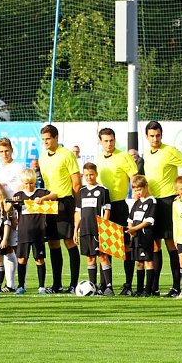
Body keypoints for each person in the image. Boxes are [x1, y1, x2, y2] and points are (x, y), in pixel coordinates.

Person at [143, 121, 182, 297]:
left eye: (157, 135)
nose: (155, 138)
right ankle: (155, 287)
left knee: (171, 244)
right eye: (151, 136)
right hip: (152, 203)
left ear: (161, 135)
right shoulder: (146, 154)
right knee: (155, 245)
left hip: (167, 202)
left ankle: (176, 287)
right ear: (147, 137)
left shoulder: (169, 150)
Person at [37, 124, 82, 293]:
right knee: (53, 243)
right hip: (49, 203)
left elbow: (76, 183)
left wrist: (77, 207)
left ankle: (73, 284)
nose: (46, 142)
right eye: (43, 139)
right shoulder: (42, 157)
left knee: (69, 240)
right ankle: (56, 284)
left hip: (65, 202)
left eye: (48, 138)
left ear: (56, 138)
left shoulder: (67, 154)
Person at [96, 128, 138, 294]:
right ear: (100, 142)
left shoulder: (123, 156)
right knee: (105, 247)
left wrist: (136, 203)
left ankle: (128, 285)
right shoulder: (99, 159)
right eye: (105, 141)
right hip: (104, 207)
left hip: (120, 206)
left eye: (111, 140)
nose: (109, 143)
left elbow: (135, 179)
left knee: (126, 246)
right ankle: (106, 285)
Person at [12, 168, 56, 294]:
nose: (29, 186)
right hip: (24, 233)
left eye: (31, 183)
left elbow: (55, 195)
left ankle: (41, 286)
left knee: (39, 259)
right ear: (22, 183)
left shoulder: (41, 192)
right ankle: (21, 286)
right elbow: (8, 207)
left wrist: (43, 199)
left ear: (35, 181)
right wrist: (11, 203)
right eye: (26, 183)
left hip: (39, 233)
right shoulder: (19, 195)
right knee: (22, 259)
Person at [73, 163, 112, 294]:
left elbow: (107, 210)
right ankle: (93, 287)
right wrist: (75, 230)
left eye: (91, 174)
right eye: (86, 175)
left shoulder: (102, 190)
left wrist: (104, 228)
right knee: (90, 258)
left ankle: (108, 287)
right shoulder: (82, 192)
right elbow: (78, 212)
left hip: (98, 229)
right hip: (85, 230)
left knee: (103, 256)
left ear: (96, 174)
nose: (89, 177)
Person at [0, 137, 23, 291]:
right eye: (2, 151)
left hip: (17, 209)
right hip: (2, 211)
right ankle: (10, 284)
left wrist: (15, 207)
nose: (5, 154)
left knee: (17, 247)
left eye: (7, 151)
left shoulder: (18, 167)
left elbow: (22, 188)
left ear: (12, 150)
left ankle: (20, 283)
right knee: (7, 247)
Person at [126, 174, 156, 297]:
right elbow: (130, 218)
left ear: (146, 186)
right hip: (136, 237)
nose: (138, 192)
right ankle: (139, 289)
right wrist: (130, 228)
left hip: (145, 236)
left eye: (140, 189)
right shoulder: (137, 202)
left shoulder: (151, 201)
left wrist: (134, 229)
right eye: (136, 190)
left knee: (148, 261)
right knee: (139, 262)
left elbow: (149, 221)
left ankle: (148, 290)